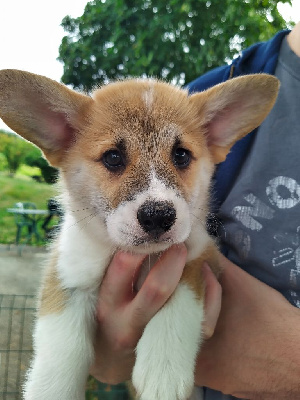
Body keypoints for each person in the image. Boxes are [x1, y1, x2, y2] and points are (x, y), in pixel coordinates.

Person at [90, 22, 300, 399]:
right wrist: (109, 349)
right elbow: (108, 361)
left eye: (181, 156)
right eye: (115, 158)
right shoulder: (184, 106)